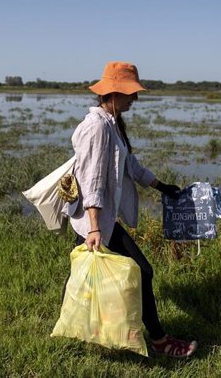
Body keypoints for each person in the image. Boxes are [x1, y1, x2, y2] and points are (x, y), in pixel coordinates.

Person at [66, 61, 198, 358]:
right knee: (142, 272)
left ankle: (84, 331)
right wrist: (95, 227)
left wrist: (160, 186)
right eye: (130, 93)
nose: (134, 99)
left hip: (100, 218)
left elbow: (130, 165)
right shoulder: (97, 127)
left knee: (83, 276)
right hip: (96, 219)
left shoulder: (112, 123)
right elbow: (92, 180)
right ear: (113, 92)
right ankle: (160, 341)